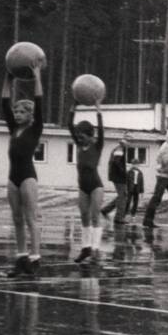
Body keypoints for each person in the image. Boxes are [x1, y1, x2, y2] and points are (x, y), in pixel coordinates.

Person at [2, 67, 44, 275]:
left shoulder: (35, 130)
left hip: (28, 177)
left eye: (21, 112)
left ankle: (35, 258)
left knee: (30, 218)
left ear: (30, 115)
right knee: (17, 219)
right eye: (16, 112)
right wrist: (8, 79)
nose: (17, 115)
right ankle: (21, 258)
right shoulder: (13, 129)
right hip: (12, 178)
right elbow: (4, 103)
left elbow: (39, 99)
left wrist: (37, 77)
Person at [68, 102, 105, 263]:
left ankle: (95, 249)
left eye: (82, 135)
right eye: (77, 135)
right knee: (84, 216)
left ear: (90, 135)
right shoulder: (77, 145)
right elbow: (69, 125)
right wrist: (73, 107)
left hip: (96, 186)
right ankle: (86, 248)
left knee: (95, 216)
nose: (79, 138)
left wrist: (98, 111)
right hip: (83, 187)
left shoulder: (97, 146)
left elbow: (101, 131)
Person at [101, 131, 131, 225]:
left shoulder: (120, 148)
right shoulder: (120, 149)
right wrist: (124, 173)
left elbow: (116, 162)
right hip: (118, 176)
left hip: (116, 175)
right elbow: (116, 162)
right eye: (128, 141)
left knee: (122, 195)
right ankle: (119, 218)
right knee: (123, 195)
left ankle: (106, 210)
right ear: (124, 141)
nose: (129, 144)